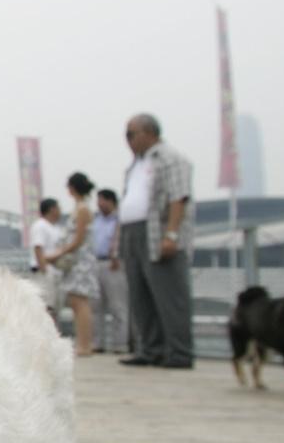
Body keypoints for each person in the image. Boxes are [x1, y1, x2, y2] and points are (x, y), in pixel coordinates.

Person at [115, 114, 195, 369]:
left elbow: (178, 197)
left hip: (157, 233)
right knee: (140, 296)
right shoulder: (134, 165)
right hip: (131, 233)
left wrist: (171, 234)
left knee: (169, 296)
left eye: (131, 134)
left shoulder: (170, 158)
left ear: (149, 133)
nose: (127, 140)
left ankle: (180, 352)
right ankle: (150, 349)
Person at [47, 173, 98, 356]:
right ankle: (83, 343)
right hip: (75, 262)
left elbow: (78, 239)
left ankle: (85, 344)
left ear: (73, 188)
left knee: (80, 301)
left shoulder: (83, 209)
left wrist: (57, 253)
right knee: (76, 301)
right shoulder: (79, 208)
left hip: (81, 261)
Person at [89, 188, 129, 354]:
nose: (99, 204)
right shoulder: (95, 220)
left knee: (117, 306)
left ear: (111, 201)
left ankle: (120, 344)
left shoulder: (121, 220)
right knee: (95, 307)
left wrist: (118, 255)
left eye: (102, 200)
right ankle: (97, 343)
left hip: (114, 264)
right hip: (95, 263)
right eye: (98, 201)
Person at [29, 198, 64, 317]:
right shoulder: (40, 225)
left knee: (54, 308)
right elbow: (38, 247)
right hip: (45, 271)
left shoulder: (55, 227)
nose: (60, 211)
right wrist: (44, 269)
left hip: (55, 271)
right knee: (46, 307)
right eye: (58, 208)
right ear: (52, 209)